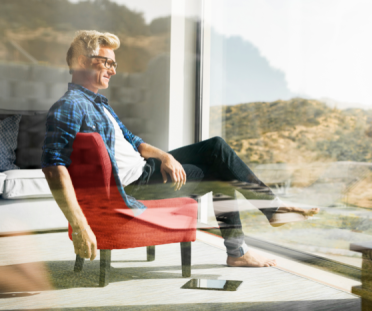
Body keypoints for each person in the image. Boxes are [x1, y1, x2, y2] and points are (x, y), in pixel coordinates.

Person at [42, 30, 319, 268]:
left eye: (114, 64)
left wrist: (165, 157)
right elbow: (54, 166)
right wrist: (79, 225)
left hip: (147, 170)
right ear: (81, 61)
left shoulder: (98, 103)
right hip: (136, 186)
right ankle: (245, 244)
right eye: (107, 62)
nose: (113, 70)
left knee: (216, 147)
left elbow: (134, 141)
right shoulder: (70, 106)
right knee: (220, 172)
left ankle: (266, 216)